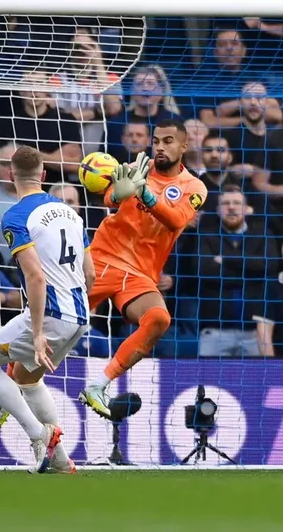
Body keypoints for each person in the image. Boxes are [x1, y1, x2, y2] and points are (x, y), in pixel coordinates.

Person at [0, 145, 92, 474]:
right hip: (79, 316)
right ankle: (61, 461)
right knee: (26, 379)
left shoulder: (17, 216)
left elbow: (35, 276)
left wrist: (37, 333)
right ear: (44, 176)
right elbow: (90, 273)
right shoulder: (72, 214)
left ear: (10, 175)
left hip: (49, 313)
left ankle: (39, 435)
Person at [78, 119, 208, 416]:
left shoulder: (194, 186)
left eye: (168, 141)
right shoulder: (137, 169)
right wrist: (122, 191)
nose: (160, 147)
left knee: (159, 319)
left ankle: (98, 384)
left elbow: (176, 220)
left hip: (139, 275)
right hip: (103, 260)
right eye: (157, 141)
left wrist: (145, 194)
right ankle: (10, 377)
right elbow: (111, 196)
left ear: (184, 146)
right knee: (57, 320)